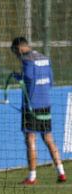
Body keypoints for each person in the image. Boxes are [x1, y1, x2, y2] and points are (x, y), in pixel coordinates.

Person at [10, 36, 66, 185]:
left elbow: (28, 77)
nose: (16, 56)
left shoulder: (26, 60)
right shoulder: (45, 58)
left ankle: (32, 176)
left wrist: (18, 77)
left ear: (19, 48)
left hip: (31, 106)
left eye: (15, 52)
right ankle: (61, 172)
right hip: (46, 103)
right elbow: (51, 81)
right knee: (48, 138)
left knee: (30, 138)